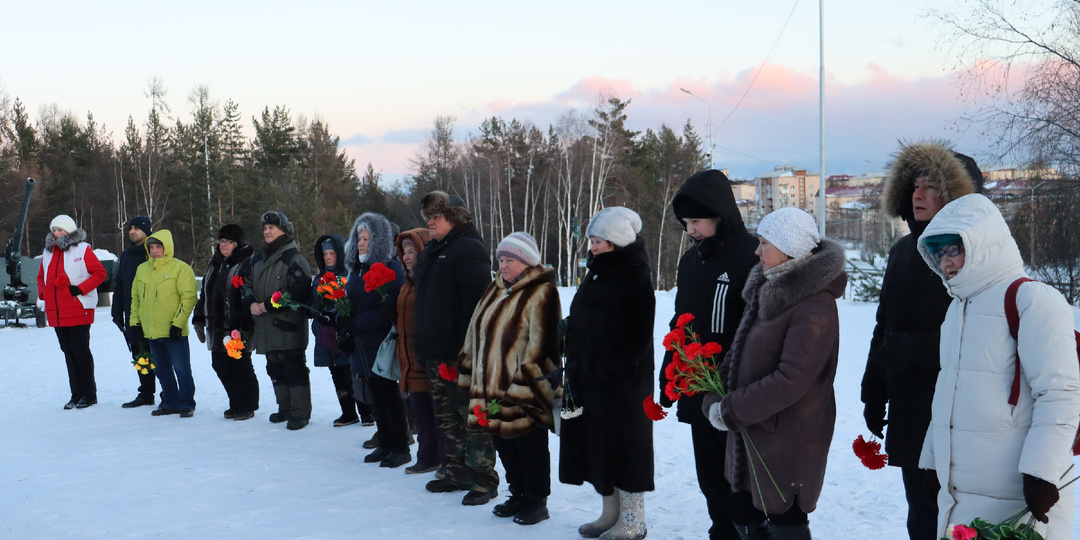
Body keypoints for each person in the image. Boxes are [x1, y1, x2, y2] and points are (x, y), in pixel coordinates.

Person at [916, 194, 1079, 538]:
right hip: (960, 497)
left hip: (1020, 497)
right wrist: (932, 463)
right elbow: (947, 393)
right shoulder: (957, 310)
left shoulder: (1032, 300)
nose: (945, 261)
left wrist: (1041, 472)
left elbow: (1061, 393)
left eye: (954, 249)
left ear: (983, 244)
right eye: (938, 252)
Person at [859, 141, 981, 540]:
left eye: (931, 186)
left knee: (957, 517)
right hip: (910, 406)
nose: (918, 194)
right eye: (915, 185)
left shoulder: (970, 255)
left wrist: (916, 349)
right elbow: (883, 326)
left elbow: (981, 332)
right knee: (921, 514)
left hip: (956, 410)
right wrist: (873, 391)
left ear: (958, 195)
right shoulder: (902, 251)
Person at [701, 207, 846, 539]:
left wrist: (732, 409)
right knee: (742, 515)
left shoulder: (814, 305)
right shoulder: (768, 289)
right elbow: (737, 353)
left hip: (788, 441)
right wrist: (715, 393)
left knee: (786, 526)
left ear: (790, 248)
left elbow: (791, 380)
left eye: (764, 242)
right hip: (752, 436)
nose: (756, 251)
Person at [659, 169, 758, 540]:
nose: (691, 230)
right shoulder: (691, 260)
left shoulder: (750, 255)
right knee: (710, 475)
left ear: (720, 214)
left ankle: (747, 531)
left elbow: (760, 325)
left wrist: (743, 378)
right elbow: (680, 320)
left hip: (736, 388)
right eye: (686, 223)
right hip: (697, 384)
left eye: (696, 221)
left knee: (741, 478)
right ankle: (721, 531)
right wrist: (670, 368)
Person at [560, 207, 655, 540]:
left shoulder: (634, 274)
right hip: (595, 379)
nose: (593, 247)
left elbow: (636, 335)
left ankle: (633, 519)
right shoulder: (597, 272)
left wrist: (610, 370)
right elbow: (589, 318)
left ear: (616, 241)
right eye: (592, 241)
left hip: (623, 384)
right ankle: (610, 513)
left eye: (598, 241)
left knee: (627, 448)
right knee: (602, 446)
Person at [458, 232, 562, 525]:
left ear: (527, 263)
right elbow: (474, 330)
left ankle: (536, 499)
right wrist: (468, 367)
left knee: (529, 445)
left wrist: (527, 386)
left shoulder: (542, 292)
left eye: (510, 260)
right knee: (503, 443)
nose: (503, 266)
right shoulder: (495, 288)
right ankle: (517, 492)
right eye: (501, 259)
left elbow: (545, 348)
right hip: (489, 385)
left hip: (523, 386)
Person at [413, 190, 499, 506]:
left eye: (436, 217)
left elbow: (475, 306)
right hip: (433, 351)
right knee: (447, 418)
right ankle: (457, 471)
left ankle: (484, 479)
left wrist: (463, 352)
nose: (430, 222)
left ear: (454, 217)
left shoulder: (469, 249)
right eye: (429, 217)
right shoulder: (433, 250)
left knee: (472, 416)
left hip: (458, 354)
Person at [340, 213, 409, 468]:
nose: (361, 243)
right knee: (375, 397)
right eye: (359, 237)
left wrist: (355, 322)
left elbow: (389, 309)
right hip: (361, 345)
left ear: (378, 241)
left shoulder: (389, 268)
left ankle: (400, 447)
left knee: (388, 395)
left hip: (380, 344)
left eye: (366, 238)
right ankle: (385, 443)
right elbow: (351, 301)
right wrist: (339, 315)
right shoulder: (357, 271)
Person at [242, 211, 313, 430]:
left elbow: (300, 289)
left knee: (293, 368)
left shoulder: (293, 258)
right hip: (265, 326)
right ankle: (285, 408)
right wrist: (251, 302)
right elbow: (245, 282)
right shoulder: (257, 258)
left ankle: (300, 412)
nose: (267, 231)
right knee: (274, 368)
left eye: (272, 227)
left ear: (284, 230)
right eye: (264, 228)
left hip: (287, 326)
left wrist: (271, 304)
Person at [38, 214, 107, 409]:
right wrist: (44, 294)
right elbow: (41, 277)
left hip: (78, 308)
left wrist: (81, 288)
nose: (56, 233)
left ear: (69, 231)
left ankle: (89, 394)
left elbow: (100, 273)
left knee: (80, 352)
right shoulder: (48, 252)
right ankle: (76, 393)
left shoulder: (82, 249)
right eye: (54, 230)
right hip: (57, 312)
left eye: (60, 230)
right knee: (68, 352)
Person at [192, 224, 259, 420]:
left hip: (238, 325)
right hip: (216, 325)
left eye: (228, 241)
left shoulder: (246, 263)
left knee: (240, 365)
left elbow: (250, 292)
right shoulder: (214, 263)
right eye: (221, 241)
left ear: (237, 244)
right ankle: (235, 402)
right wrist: (198, 317)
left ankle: (247, 404)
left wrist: (247, 321)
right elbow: (204, 292)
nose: (224, 245)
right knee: (220, 364)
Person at [129, 230, 199, 418]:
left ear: (166, 248)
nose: (154, 251)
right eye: (151, 247)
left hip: (173, 330)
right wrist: (134, 323)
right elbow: (135, 298)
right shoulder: (142, 269)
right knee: (161, 370)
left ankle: (186, 403)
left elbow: (189, 297)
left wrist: (178, 323)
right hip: (151, 331)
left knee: (181, 369)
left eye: (158, 247)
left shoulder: (180, 269)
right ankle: (170, 402)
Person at [309, 233, 373, 427]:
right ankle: (348, 412)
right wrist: (317, 309)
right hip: (326, 334)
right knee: (336, 374)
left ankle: (366, 412)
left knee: (353, 373)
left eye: (332, 253)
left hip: (345, 333)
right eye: (325, 253)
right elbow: (313, 302)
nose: (328, 257)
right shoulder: (319, 278)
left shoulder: (350, 274)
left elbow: (356, 301)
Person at [395, 226, 443, 475]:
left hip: (425, 356)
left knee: (433, 412)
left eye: (411, 250)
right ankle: (426, 456)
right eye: (404, 252)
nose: (407, 257)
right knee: (420, 412)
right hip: (409, 356)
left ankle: (437, 457)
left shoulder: (426, 281)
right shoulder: (408, 282)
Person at [112, 215, 156, 408]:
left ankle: (170, 393)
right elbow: (120, 283)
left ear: (146, 230)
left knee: (159, 354)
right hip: (132, 314)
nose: (132, 231)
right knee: (140, 354)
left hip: (154, 313)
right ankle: (146, 392)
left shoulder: (155, 251)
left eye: (137, 228)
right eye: (130, 228)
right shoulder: (127, 255)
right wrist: (117, 311)